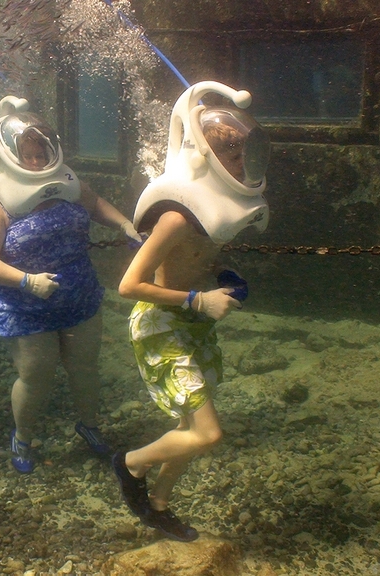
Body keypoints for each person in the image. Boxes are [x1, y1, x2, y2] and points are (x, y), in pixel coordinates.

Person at [113, 81, 270, 541]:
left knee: (187, 425)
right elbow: (129, 285)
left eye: (244, 157)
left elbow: (199, 256)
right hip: (161, 324)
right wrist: (196, 299)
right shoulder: (176, 216)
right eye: (234, 158)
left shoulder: (215, 207)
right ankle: (128, 465)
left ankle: (159, 505)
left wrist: (223, 275)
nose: (242, 166)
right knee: (207, 434)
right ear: (209, 158)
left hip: (191, 322)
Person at [0, 96, 143, 473]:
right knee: (37, 373)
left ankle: (89, 426)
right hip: (24, 303)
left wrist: (125, 224)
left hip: (77, 294)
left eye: (40, 151)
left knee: (85, 367)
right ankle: (23, 437)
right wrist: (26, 281)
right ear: (8, 154)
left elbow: (95, 205)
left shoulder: (69, 181)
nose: (35, 160)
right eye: (26, 154)